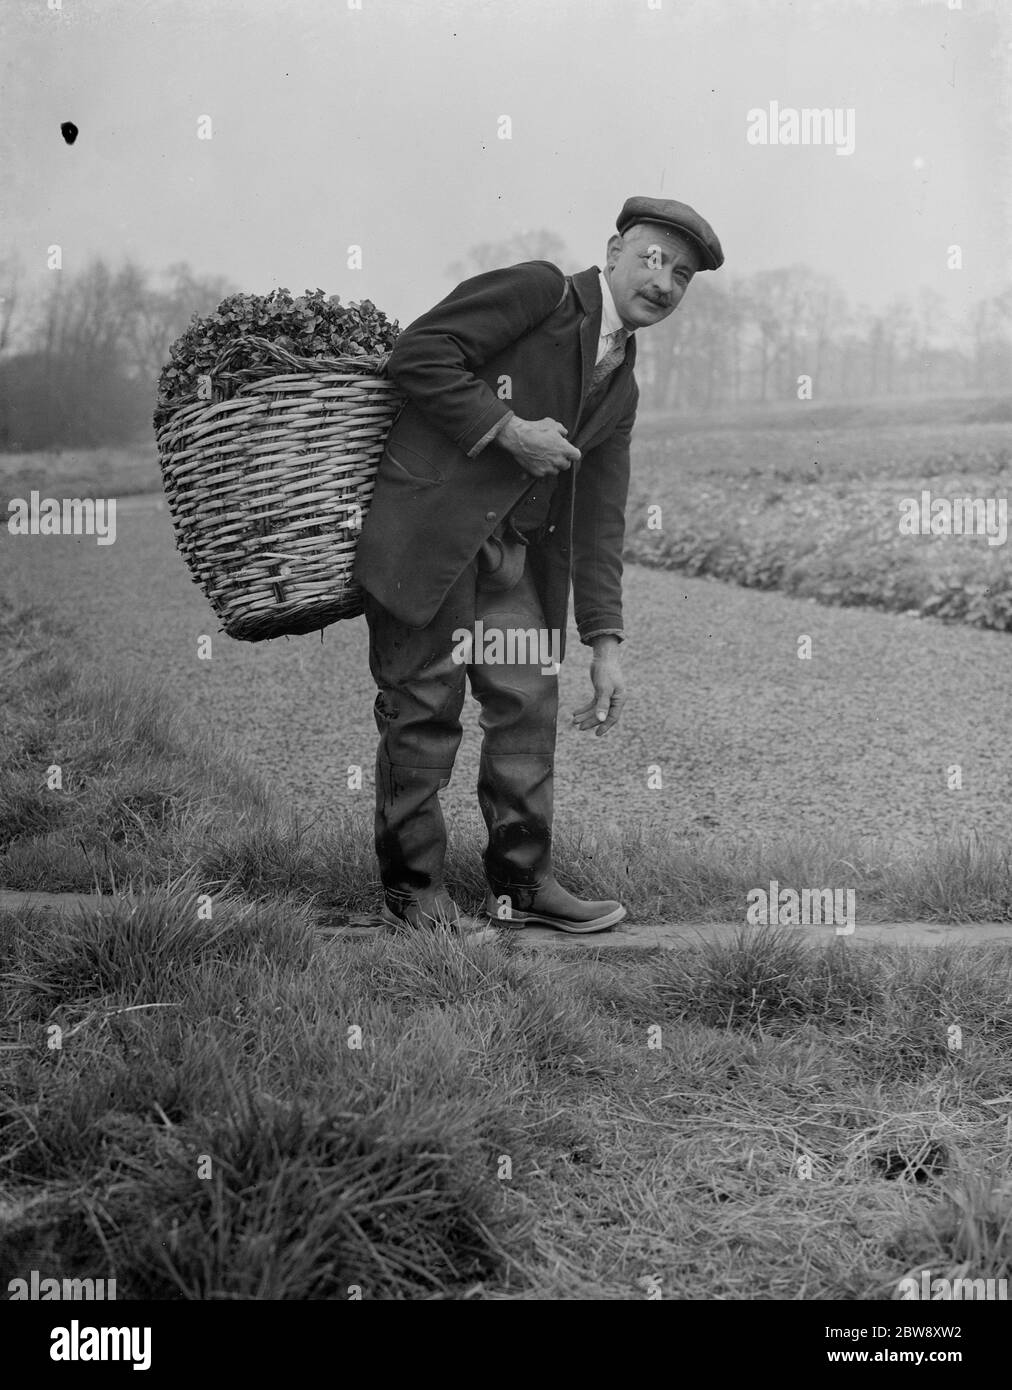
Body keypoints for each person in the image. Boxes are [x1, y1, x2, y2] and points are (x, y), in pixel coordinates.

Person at [352, 196, 724, 935]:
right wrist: (506, 429)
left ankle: (522, 886)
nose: (665, 283)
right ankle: (413, 895)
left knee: (527, 711)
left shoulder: (623, 381)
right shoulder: (537, 292)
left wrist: (606, 643)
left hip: (515, 565)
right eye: (655, 259)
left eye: (683, 276)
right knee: (423, 713)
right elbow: (418, 353)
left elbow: (599, 519)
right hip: (432, 543)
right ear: (616, 249)